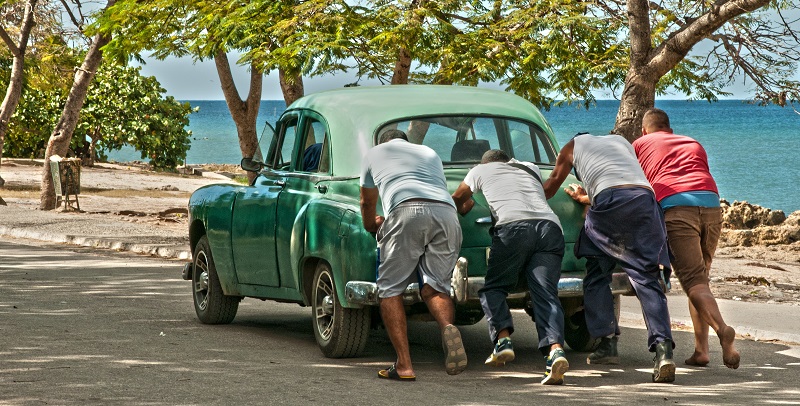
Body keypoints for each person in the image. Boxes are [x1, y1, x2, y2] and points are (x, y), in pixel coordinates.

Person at [542, 132, 677, 383]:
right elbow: (622, 179)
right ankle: (663, 351)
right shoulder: (621, 141)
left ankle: (606, 343)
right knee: (646, 277)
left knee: (596, 272)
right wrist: (589, 196)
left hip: (609, 201)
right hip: (644, 200)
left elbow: (552, 184)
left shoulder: (571, 145)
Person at [633, 108, 740, 369]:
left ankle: (722, 329)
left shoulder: (639, 144)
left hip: (677, 208)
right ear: (669, 128)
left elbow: (634, 184)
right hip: (712, 206)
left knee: (694, 282)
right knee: (699, 280)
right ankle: (701, 352)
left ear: (644, 130)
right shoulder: (692, 142)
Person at [451, 149, 570, 385]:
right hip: (550, 228)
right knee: (545, 294)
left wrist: (467, 204)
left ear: (485, 162)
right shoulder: (530, 168)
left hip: (514, 228)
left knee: (494, 288)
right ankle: (555, 351)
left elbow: (456, 199)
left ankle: (503, 341)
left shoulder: (479, 170)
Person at [360, 129, 467, 381]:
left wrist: (371, 225)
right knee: (435, 288)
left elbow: (367, 202)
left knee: (389, 290)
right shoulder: (429, 152)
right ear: (407, 142)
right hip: (446, 214)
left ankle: (404, 365)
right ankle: (448, 328)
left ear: (383, 142)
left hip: (406, 209)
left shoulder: (373, 153)